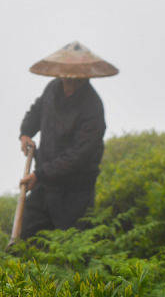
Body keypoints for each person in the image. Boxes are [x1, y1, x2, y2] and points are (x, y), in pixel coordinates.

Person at [17, 41, 118, 239]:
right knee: (28, 235)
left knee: (72, 242)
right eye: (66, 79)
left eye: (75, 80)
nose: (69, 84)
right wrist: (25, 133)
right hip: (45, 183)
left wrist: (40, 174)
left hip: (75, 191)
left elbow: (78, 155)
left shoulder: (93, 108)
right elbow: (37, 110)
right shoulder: (53, 89)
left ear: (86, 78)